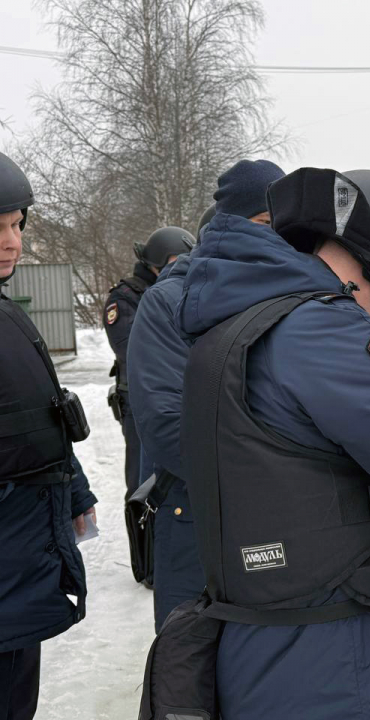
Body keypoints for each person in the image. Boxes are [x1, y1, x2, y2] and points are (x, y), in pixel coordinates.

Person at [175, 167, 370, 719]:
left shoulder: (236, 325)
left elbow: (295, 472)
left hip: (263, 636)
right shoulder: (323, 329)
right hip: (336, 655)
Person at [127, 159, 284, 632]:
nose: (275, 238)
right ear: (226, 225)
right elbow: (170, 428)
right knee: (194, 674)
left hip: (280, 524)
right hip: (197, 520)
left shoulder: (294, 296)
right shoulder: (169, 303)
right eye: (264, 224)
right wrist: (287, 470)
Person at [0, 152, 97, 720]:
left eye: (16, 225)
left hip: (19, 565)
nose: (11, 242)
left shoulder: (8, 312)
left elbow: (40, 417)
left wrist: (75, 492)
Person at [104, 226, 192, 581]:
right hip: (138, 400)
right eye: (172, 262)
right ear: (154, 264)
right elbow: (129, 348)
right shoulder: (124, 297)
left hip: (172, 396)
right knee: (142, 483)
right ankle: (146, 562)